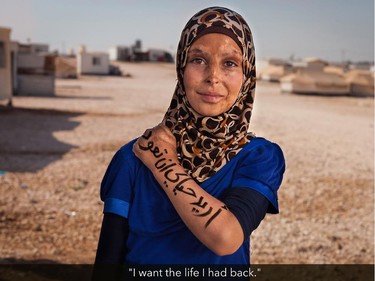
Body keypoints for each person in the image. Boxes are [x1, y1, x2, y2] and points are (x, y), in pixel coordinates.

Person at [94, 6, 285, 267]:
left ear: (247, 75)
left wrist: (163, 162)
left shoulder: (259, 157)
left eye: (229, 63)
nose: (213, 77)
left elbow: (225, 238)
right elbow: (108, 261)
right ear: (181, 67)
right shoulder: (132, 158)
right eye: (198, 60)